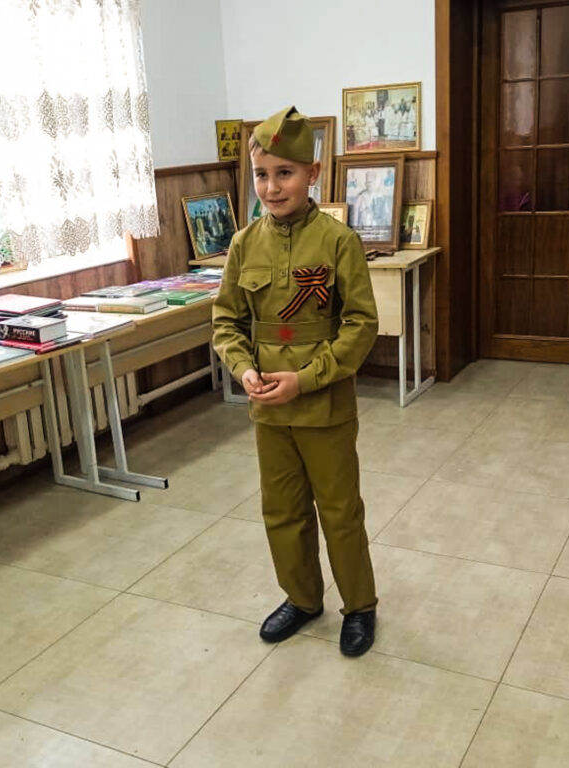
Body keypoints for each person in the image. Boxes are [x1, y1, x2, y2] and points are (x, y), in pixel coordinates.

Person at [212, 105, 380, 657]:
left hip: (324, 405)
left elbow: (361, 325)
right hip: (269, 407)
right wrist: (244, 369)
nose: (272, 187)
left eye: (285, 173)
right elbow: (227, 322)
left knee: (339, 511)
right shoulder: (243, 244)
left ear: (313, 173)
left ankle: (359, 605)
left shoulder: (338, 241)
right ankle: (303, 598)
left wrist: (306, 380)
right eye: (262, 174)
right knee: (282, 510)